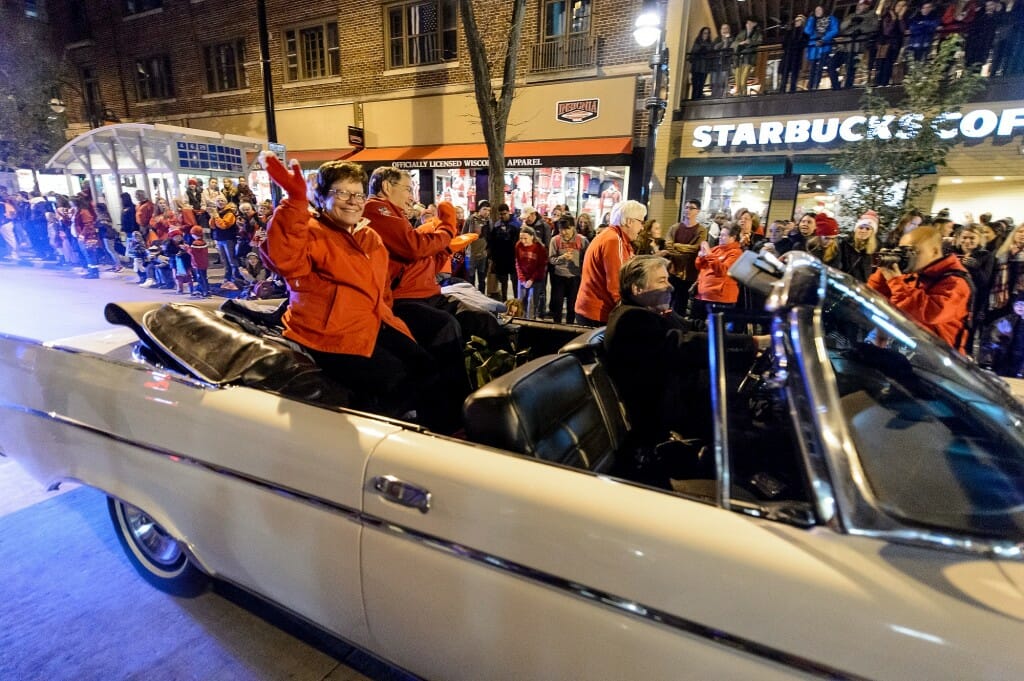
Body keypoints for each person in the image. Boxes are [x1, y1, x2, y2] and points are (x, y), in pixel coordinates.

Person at [259, 152, 435, 418]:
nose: (353, 202)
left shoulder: (369, 236)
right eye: (342, 193)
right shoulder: (309, 231)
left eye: (359, 194)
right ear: (321, 198)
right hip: (328, 334)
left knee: (427, 366)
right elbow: (285, 258)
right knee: (393, 379)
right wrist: (294, 202)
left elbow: (382, 288)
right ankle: (379, 435)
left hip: (372, 323)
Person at [605, 255, 763, 448]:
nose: (670, 287)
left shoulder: (653, 310)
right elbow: (685, 344)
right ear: (638, 289)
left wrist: (736, 337)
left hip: (686, 392)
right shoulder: (631, 318)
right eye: (662, 281)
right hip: (668, 410)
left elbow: (693, 327)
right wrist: (753, 342)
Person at [365, 166, 473, 431]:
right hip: (391, 302)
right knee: (444, 329)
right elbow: (414, 247)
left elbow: (419, 252)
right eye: (408, 189)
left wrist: (444, 246)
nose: (412, 197)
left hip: (409, 297)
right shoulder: (377, 208)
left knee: (479, 321)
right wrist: (447, 229)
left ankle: (470, 401)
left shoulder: (393, 215)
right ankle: (455, 415)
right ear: (387, 187)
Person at [868, 226, 972, 352]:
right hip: (907, 348)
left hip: (938, 359)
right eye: (903, 251)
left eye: (913, 251)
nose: (907, 257)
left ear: (934, 252)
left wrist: (895, 282)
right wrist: (883, 272)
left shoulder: (955, 282)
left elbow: (930, 314)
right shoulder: (913, 271)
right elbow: (873, 298)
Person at [575, 200, 645, 326]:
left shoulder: (611, 236)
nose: (642, 227)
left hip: (590, 310)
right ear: (629, 221)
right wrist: (629, 314)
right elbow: (617, 283)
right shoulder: (614, 241)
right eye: (641, 221)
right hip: (598, 314)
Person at [665, 199, 709, 316]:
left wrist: (677, 246)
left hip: (689, 272)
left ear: (698, 211)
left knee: (681, 303)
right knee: (668, 300)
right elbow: (669, 245)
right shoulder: (675, 227)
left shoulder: (701, 230)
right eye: (686, 207)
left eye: (691, 208)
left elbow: (696, 248)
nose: (687, 210)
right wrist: (681, 252)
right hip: (673, 270)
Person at [694, 225, 743, 317]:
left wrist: (708, 253)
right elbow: (699, 266)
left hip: (720, 299)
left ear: (733, 237)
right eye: (720, 234)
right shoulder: (716, 249)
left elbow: (722, 271)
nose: (720, 237)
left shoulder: (736, 253)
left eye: (724, 235)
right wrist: (701, 256)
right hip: (703, 295)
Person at [548, 215, 588, 324]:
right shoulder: (555, 240)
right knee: (558, 305)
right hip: (559, 277)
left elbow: (587, 260)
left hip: (575, 277)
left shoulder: (582, 240)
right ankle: (556, 327)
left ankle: (569, 327)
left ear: (573, 227)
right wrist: (561, 258)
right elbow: (551, 260)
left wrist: (578, 265)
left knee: (572, 305)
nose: (563, 232)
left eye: (566, 229)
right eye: (561, 229)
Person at [832, 0, 879, 89]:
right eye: (859, 4)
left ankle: (847, 89)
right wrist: (850, 21)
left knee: (850, 70)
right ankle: (836, 87)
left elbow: (874, 27)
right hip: (843, 47)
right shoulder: (851, 16)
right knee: (832, 65)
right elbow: (841, 27)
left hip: (856, 48)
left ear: (867, 6)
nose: (858, 6)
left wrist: (860, 29)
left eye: (861, 5)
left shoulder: (872, 16)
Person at [485, 203, 521, 300]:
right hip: (501, 259)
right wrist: (493, 257)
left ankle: (516, 301)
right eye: (501, 214)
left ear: (508, 212)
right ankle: (504, 300)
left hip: (513, 258)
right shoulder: (497, 225)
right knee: (503, 282)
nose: (502, 216)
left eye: (504, 213)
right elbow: (492, 242)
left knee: (515, 281)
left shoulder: (516, 225)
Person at [514, 225, 548, 319]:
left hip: (535, 279)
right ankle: (521, 321)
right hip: (523, 277)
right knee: (520, 301)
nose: (523, 241)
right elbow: (518, 263)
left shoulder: (540, 248)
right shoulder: (518, 245)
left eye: (525, 238)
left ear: (532, 236)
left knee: (531, 302)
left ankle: (530, 321)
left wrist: (531, 279)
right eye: (521, 238)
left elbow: (541, 267)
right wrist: (522, 279)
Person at [837, 210, 879, 282]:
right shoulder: (845, 244)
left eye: (868, 229)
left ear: (872, 232)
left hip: (864, 288)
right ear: (856, 229)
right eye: (861, 227)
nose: (863, 231)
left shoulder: (876, 249)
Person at [805, 5, 840, 90]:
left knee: (822, 67)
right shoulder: (813, 20)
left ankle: (817, 86)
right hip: (814, 49)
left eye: (820, 9)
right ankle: (812, 87)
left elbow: (835, 30)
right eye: (816, 10)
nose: (818, 11)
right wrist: (811, 19)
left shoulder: (831, 18)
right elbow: (807, 31)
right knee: (813, 68)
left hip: (825, 47)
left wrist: (824, 39)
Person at [876, 0, 909, 85]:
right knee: (882, 65)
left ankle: (885, 83)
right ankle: (879, 83)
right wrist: (894, 20)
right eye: (899, 5)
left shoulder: (904, 18)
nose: (900, 8)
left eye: (903, 6)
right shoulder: (888, 15)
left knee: (889, 65)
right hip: (885, 44)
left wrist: (900, 18)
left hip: (895, 45)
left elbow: (903, 30)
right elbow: (886, 31)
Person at [733, 16, 763, 96]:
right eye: (747, 23)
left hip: (749, 58)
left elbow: (759, 42)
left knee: (743, 81)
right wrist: (741, 43)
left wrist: (749, 42)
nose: (748, 25)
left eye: (750, 23)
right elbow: (734, 43)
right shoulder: (742, 33)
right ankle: (739, 95)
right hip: (739, 58)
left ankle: (744, 96)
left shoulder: (757, 34)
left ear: (754, 24)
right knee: (738, 82)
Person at [779, 14, 808, 93]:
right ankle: (783, 91)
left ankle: (791, 91)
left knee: (793, 76)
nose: (796, 22)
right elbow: (784, 44)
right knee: (785, 76)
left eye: (799, 20)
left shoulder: (804, 34)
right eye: (796, 20)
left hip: (795, 56)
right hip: (789, 55)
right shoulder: (790, 32)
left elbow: (803, 44)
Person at [710, 23, 735, 98]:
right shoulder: (717, 40)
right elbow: (714, 48)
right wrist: (723, 42)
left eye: (726, 28)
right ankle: (714, 97)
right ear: (720, 31)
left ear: (729, 30)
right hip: (715, 64)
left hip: (725, 64)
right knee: (714, 82)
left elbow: (731, 50)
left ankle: (721, 98)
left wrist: (727, 41)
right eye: (723, 28)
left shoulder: (732, 40)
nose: (724, 30)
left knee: (723, 82)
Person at [690, 27, 715, 99]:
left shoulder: (710, 44)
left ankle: (697, 99)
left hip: (704, 68)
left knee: (701, 85)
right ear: (701, 33)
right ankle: (694, 99)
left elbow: (710, 55)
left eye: (707, 33)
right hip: (696, 67)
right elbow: (693, 53)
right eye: (704, 33)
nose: (706, 35)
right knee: (695, 85)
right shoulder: (697, 42)